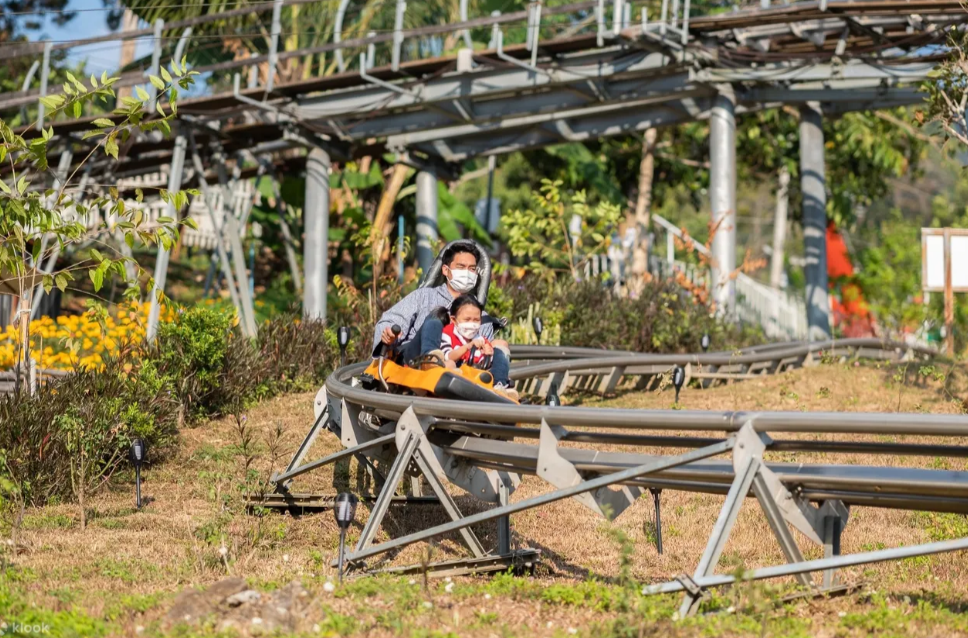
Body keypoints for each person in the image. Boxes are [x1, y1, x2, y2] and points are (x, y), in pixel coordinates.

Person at [373, 244, 512, 393]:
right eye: (461, 267)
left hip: (460, 374)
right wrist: (389, 335)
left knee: (498, 346)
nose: (467, 273)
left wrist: (488, 351)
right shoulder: (423, 297)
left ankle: (499, 387)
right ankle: (432, 361)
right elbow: (391, 321)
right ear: (446, 270)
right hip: (414, 364)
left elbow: (484, 359)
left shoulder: (481, 318)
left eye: (472, 269)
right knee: (436, 316)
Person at [439, 295, 515, 397]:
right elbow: (448, 356)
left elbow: (488, 355)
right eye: (467, 319)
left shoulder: (479, 337)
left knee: (499, 353)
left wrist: (488, 352)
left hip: (479, 372)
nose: (472, 324)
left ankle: (499, 385)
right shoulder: (447, 334)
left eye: (476, 320)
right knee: (450, 364)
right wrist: (468, 346)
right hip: (460, 371)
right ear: (453, 319)